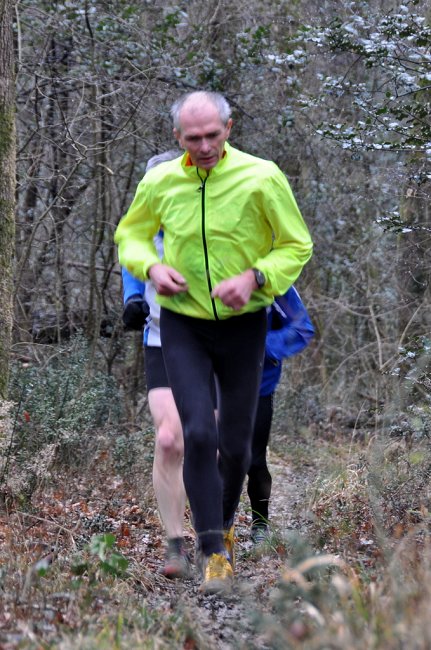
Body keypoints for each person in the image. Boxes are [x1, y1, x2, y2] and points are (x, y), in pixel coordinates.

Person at [115, 90, 313, 593]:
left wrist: (257, 276)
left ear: (229, 128)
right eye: (192, 138)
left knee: (237, 447)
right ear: (177, 137)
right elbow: (130, 236)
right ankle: (212, 552)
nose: (203, 146)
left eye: (211, 135)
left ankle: (222, 526)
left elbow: (297, 244)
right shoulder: (160, 180)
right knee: (197, 433)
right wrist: (150, 267)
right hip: (183, 323)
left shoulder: (262, 176)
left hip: (244, 324)